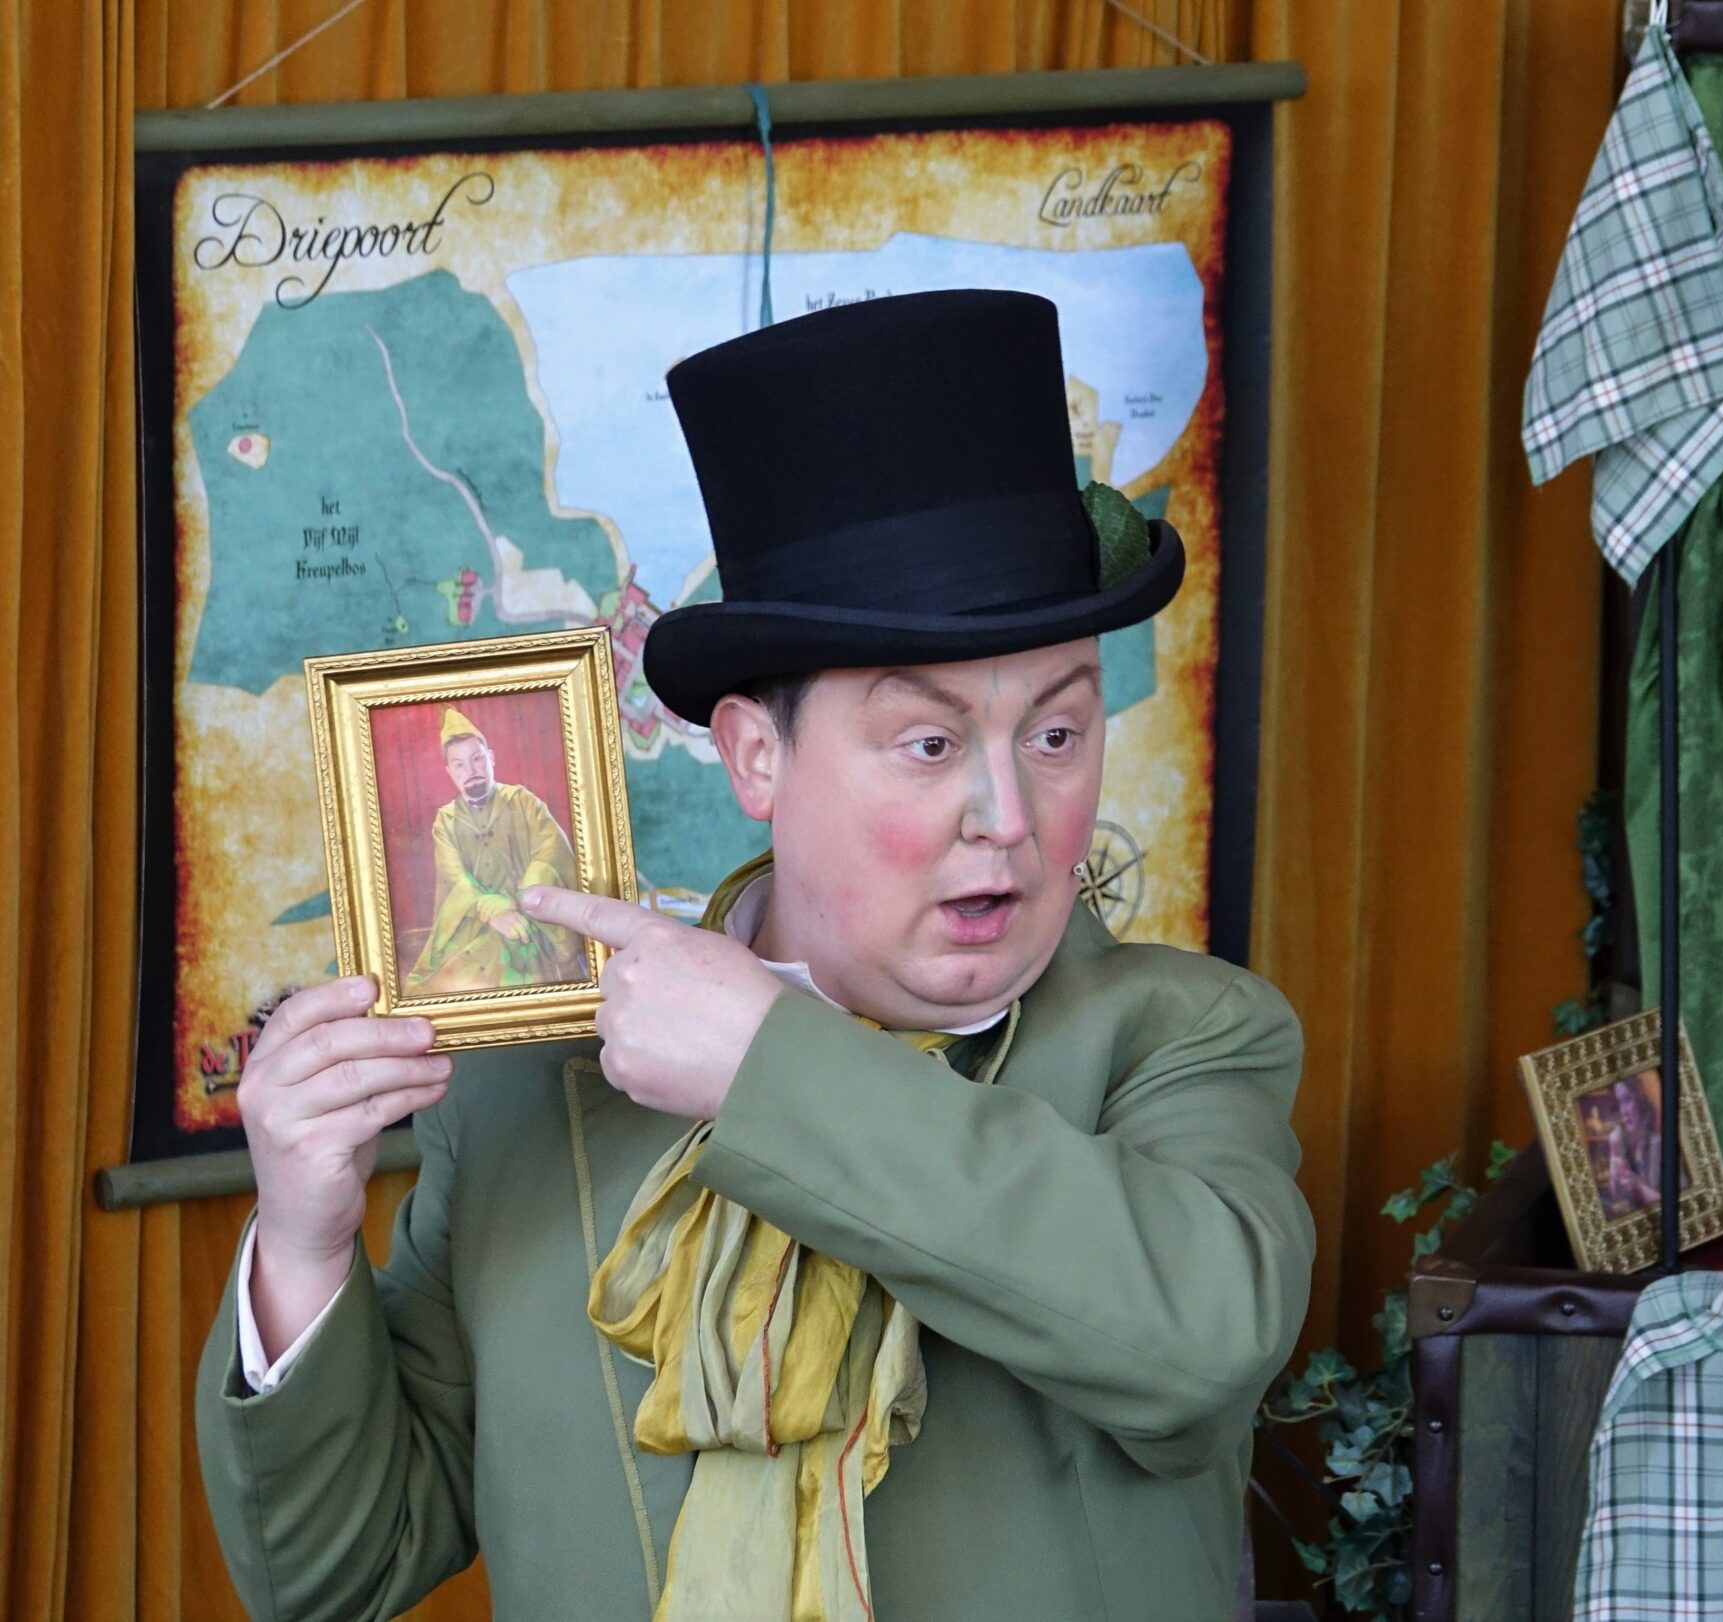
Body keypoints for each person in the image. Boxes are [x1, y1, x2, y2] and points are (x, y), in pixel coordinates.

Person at [197, 290, 1315, 1622]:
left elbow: (1202, 1340)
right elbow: (337, 1573)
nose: (1009, 817)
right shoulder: (530, 1097)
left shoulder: (1183, 1038)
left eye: (1058, 734)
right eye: (930, 743)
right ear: (754, 756)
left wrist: (765, 1067)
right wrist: (304, 1243)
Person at [403, 706, 584, 994]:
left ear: (491, 758)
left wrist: (518, 900)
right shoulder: (446, 821)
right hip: (474, 921)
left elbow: (550, 851)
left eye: (477, 759)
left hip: (532, 914)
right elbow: (454, 879)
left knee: (520, 945)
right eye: (459, 765)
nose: (471, 771)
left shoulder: (523, 801)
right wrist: (492, 912)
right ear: (449, 772)